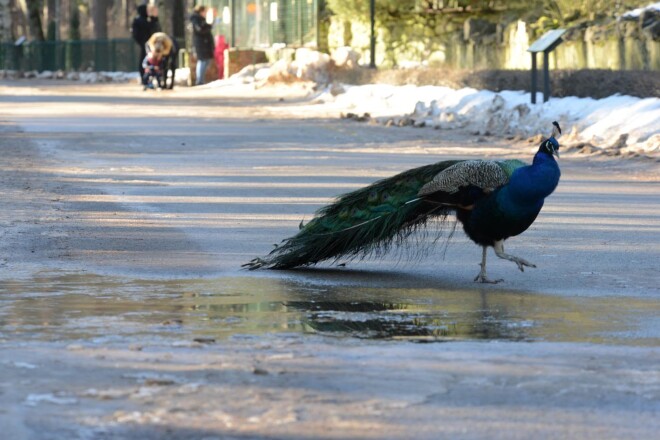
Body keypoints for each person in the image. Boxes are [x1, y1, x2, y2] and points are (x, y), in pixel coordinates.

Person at [131, 3, 161, 84]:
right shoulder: (139, 20)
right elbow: (136, 33)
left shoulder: (147, 19)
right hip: (144, 44)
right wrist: (142, 42)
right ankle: (145, 78)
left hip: (151, 43)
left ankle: (150, 77)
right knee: (144, 60)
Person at [190, 5, 214, 86]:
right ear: (201, 11)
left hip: (205, 43)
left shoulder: (201, 20)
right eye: (205, 12)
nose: (206, 14)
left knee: (206, 61)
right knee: (202, 60)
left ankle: (201, 79)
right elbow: (200, 29)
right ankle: (200, 80)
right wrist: (208, 27)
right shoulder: (196, 19)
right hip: (200, 43)